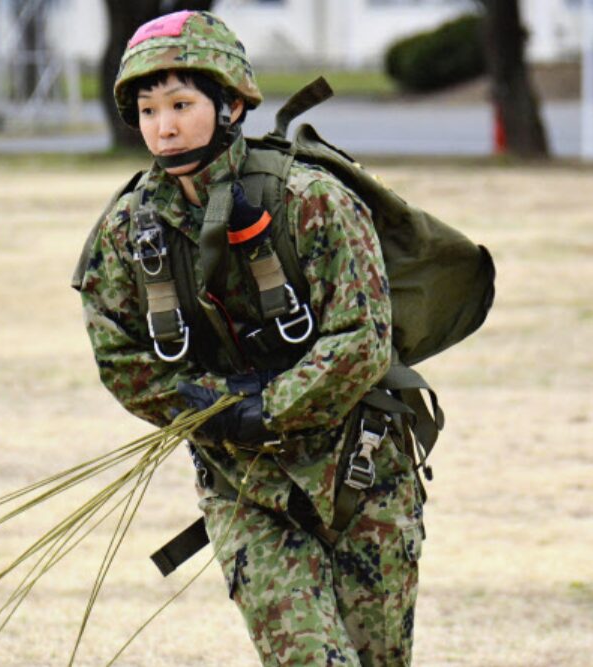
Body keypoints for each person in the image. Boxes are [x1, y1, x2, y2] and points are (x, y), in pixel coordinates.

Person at [74, 10, 423, 666]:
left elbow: (362, 337)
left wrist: (267, 405)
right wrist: (211, 406)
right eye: (148, 110)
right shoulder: (127, 231)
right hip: (244, 483)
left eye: (181, 104)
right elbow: (118, 355)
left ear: (230, 104)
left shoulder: (309, 199)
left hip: (361, 470)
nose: (164, 126)